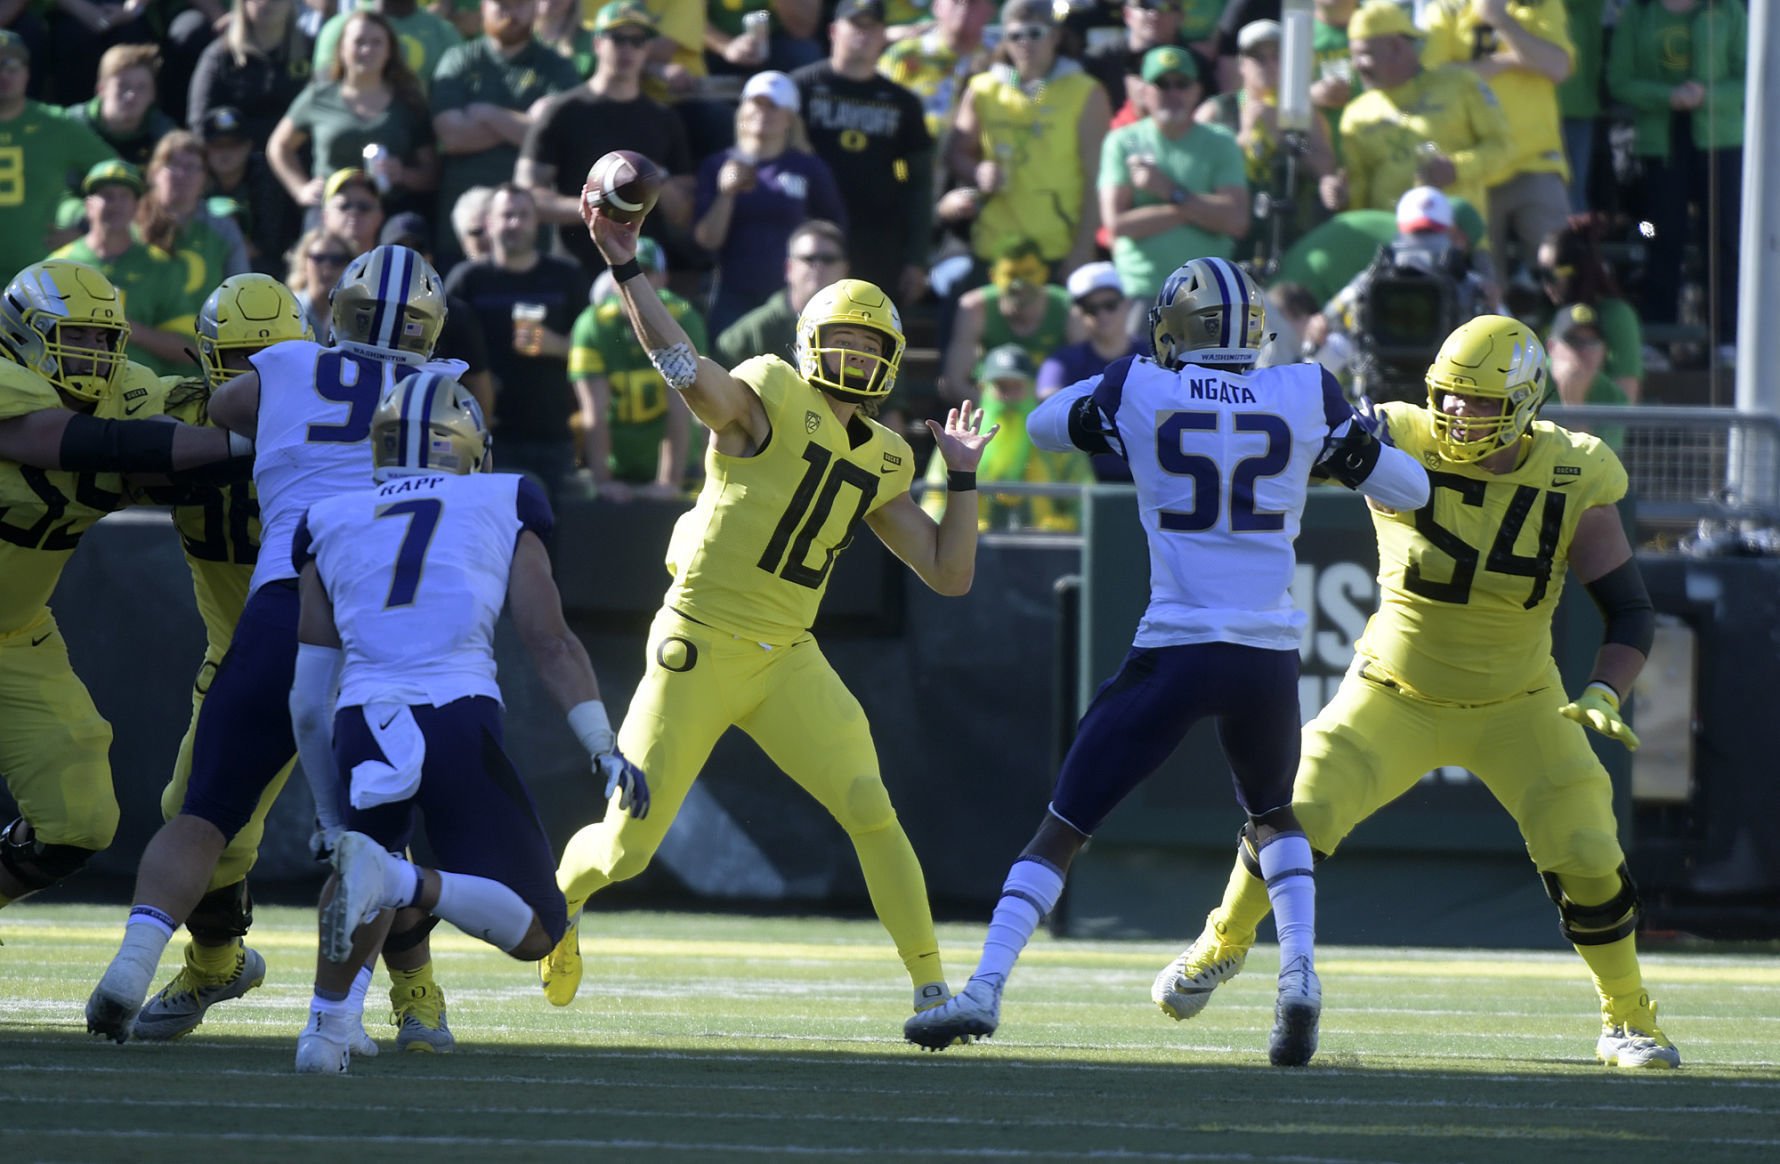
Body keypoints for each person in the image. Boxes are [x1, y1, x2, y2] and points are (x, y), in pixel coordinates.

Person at [902, 255, 1431, 1064]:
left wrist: (1124, 389)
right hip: (1264, 656)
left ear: (1176, 327)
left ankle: (985, 987)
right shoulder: (1305, 391)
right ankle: (1299, 977)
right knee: (1273, 814)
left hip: (1177, 648)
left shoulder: (1139, 385)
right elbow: (1411, 489)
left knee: (1064, 825)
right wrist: (1351, 444)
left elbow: (1044, 424)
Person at [1151, 314, 1680, 1071]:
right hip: (1392, 691)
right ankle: (1222, 941)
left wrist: (1604, 689)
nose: (1459, 411)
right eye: (1450, 394)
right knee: (1298, 807)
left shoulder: (1576, 468)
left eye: (1481, 400)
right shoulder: (1398, 433)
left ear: (1526, 403)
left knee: (1588, 848)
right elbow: (1284, 444)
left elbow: (1628, 608)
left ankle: (1627, 1017)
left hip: (1520, 703)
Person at [539, 194, 1000, 1031]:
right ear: (808, 341)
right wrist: (626, 266)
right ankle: (561, 901)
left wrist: (962, 477)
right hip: (698, 643)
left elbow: (948, 573)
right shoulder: (769, 393)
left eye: (873, 345)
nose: (857, 356)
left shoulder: (889, 454)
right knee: (626, 848)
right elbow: (683, 367)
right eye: (845, 339)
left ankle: (934, 990)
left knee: (869, 804)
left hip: (787, 653)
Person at [84, 245, 469, 1051]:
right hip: (382, 623)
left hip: (280, 614)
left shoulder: (287, 369)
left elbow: (226, 410)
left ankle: (133, 961)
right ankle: (339, 1017)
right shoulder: (444, 393)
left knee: (204, 814)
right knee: (377, 838)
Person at [286, 371, 648, 1073]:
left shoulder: (327, 516)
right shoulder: (505, 496)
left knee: (361, 856)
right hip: (456, 716)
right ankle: (401, 885)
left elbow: (306, 697)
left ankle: (324, 1034)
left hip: (363, 718)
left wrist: (329, 818)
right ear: (467, 445)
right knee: (538, 927)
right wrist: (601, 744)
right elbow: (550, 641)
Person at [123, 274, 347, 1044]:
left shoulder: (343, 420)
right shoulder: (174, 408)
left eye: (271, 356)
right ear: (202, 361)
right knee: (195, 816)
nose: (259, 373)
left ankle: (415, 989)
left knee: (375, 815)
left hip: (339, 643)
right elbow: (104, 428)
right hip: (241, 648)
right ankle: (216, 963)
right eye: (242, 359)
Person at [0, 258, 246, 921]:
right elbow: (62, 440)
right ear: (21, 333)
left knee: (77, 822)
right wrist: (232, 447)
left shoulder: (126, 391)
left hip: (14, 635)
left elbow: (188, 418)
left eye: (104, 337)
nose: (94, 352)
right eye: (75, 336)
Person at [1606, 0, 1745, 365]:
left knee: (1725, 238)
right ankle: (1658, 339)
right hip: (1660, 147)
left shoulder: (1730, 10)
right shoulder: (1637, 13)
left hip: (1721, 145)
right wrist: (1668, 97)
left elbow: (1749, 77)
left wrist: (1706, 96)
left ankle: (1728, 339)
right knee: (1658, 235)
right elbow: (1619, 81)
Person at [516, 2, 694, 276]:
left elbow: (684, 212)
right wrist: (599, 207)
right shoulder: (562, 112)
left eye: (637, 41)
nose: (627, 49)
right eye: (618, 38)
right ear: (597, 43)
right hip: (575, 269)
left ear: (647, 48)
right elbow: (527, 196)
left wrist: (657, 180)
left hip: (641, 270)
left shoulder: (664, 119)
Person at [444, 183, 590, 504]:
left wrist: (557, 345)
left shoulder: (566, 276)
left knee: (552, 529)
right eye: (507, 215)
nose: (515, 223)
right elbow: (441, 353)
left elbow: (596, 349)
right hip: (486, 435)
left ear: (537, 223)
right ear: (489, 222)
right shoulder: (467, 280)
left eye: (523, 215)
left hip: (553, 434)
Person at [945, 0, 1111, 277]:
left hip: (1057, 247)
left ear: (1055, 36)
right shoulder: (983, 89)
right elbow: (956, 153)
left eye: (1035, 33)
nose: (1025, 42)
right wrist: (977, 171)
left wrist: (1083, 249)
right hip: (993, 245)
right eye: (1015, 35)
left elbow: (1097, 177)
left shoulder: (1086, 92)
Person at [791, 0, 934, 305]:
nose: (863, 34)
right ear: (833, 30)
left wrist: (917, 258)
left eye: (872, 27)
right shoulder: (801, 88)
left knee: (868, 319)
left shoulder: (903, 103)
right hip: (811, 234)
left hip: (877, 238)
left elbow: (919, 185)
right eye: (856, 24)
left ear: (884, 35)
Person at [1421, 0, 1576, 276]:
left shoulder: (1541, 4)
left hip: (1534, 161)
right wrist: (1506, 61)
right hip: (1473, 167)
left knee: (1561, 270)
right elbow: (1433, 80)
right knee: (1484, 282)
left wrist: (1500, 20)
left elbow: (1558, 66)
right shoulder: (1445, 8)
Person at [692, 69, 847, 337]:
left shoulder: (809, 168)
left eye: (773, 106)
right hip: (733, 291)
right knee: (726, 359)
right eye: (757, 103)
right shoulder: (717, 165)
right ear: (743, 110)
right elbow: (707, 240)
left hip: (793, 296)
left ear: (789, 117)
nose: (763, 113)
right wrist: (726, 194)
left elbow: (833, 229)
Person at [428, 0, 579, 269]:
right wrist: (528, 124)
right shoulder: (459, 59)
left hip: (532, 232)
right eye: (502, 4)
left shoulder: (556, 67)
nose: (511, 12)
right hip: (463, 229)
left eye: (520, 4)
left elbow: (559, 139)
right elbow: (451, 136)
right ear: (483, 7)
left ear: (535, 7)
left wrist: (485, 113)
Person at [1330, 3, 1511, 223]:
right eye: (1353, 56)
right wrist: (1343, 198)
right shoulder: (1356, 114)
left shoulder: (1461, 85)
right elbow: (1359, 188)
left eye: (1364, 54)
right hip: (1389, 236)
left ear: (1396, 47)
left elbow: (1502, 148)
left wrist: (1457, 168)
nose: (1357, 66)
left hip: (1455, 232)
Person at [1099, 45, 1247, 304]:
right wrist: (1194, 210)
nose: (1173, 93)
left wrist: (1169, 191)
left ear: (1197, 91)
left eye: (1182, 84)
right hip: (1142, 290)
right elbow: (1117, 224)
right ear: (1144, 92)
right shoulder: (1122, 142)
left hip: (1208, 292)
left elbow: (1236, 220)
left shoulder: (1221, 142)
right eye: (1162, 84)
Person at [268, 9, 439, 218]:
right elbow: (278, 146)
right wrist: (300, 189)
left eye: (377, 42)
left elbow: (431, 174)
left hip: (392, 210)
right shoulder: (317, 97)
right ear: (341, 49)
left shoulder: (408, 103)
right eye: (359, 42)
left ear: (389, 51)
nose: (367, 49)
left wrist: (402, 174)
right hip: (331, 211)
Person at [1195, 20, 1334, 269]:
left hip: (1288, 236)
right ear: (1242, 64)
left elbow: (1325, 167)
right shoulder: (1215, 111)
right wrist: (1244, 137)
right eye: (1258, 58)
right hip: (1229, 240)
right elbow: (1194, 175)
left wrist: (1285, 137)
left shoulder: (1302, 113)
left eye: (1276, 56)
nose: (1269, 64)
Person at [569, 237, 700, 500]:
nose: (634, 280)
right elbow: (594, 412)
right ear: (611, 277)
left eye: (645, 272)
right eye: (625, 269)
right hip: (619, 469)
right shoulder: (592, 325)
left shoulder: (683, 318)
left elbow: (681, 406)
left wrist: (669, 482)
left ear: (663, 279)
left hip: (679, 468)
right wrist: (604, 481)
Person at [920, 342, 1094, 531]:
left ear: (1033, 388)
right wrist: (961, 530)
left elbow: (1085, 499)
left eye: (1017, 387)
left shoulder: (1057, 434)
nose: (1009, 397)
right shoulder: (963, 433)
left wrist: (1062, 528)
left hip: (1044, 544)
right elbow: (934, 497)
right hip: (975, 542)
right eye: (1002, 387)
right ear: (983, 388)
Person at [50, 160, 189, 376]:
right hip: (72, 386)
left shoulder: (162, 265)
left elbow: (187, 349)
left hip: (145, 390)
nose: (115, 204)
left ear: (136, 206)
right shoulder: (58, 265)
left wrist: (124, 327)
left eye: (124, 196)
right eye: (107, 195)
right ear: (88, 205)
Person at [0, 30, 117, 280]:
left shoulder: (56, 125)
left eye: (11, 66)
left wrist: (86, 229)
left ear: (27, 73)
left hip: (40, 279)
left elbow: (118, 174)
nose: (3, 74)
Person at [940, 240, 1072, 403]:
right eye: (1011, 275)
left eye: (1028, 273)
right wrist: (996, 408)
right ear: (993, 276)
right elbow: (956, 381)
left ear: (1044, 273)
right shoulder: (975, 307)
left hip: (1051, 405)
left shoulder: (1067, 306)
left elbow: (1085, 371)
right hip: (990, 404)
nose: (1019, 283)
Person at [713, 219, 848, 370]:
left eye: (828, 259)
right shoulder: (750, 335)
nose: (818, 266)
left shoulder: (859, 329)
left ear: (845, 269)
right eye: (809, 258)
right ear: (789, 268)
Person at [1534, 216, 1641, 402]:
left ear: (1576, 272)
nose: (1545, 285)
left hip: (1597, 419)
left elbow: (1627, 400)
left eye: (1550, 275)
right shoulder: (1546, 313)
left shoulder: (1616, 315)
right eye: (1539, 274)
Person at [186, 0, 316, 148]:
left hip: (297, 154)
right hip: (235, 155)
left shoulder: (312, 51)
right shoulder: (219, 56)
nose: (267, 3)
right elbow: (199, 122)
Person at [199, 105, 301, 277]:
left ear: (248, 146)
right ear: (204, 148)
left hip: (259, 266)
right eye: (217, 145)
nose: (225, 153)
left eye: (233, 145)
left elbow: (270, 243)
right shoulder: (193, 175)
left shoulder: (266, 176)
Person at [876, 0, 994, 142]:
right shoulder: (904, 55)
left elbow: (1017, 98)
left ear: (989, 11)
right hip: (911, 148)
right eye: (955, 1)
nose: (963, 6)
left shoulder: (1000, 58)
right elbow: (877, 107)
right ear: (937, 6)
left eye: (972, 2)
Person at [63, 44, 176, 168]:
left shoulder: (165, 136)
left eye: (142, 87)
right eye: (123, 86)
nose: (131, 95)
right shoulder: (71, 126)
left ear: (153, 95)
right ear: (101, 89)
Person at [286, 226, 354, 342]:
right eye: (319, 258)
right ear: (303, 262)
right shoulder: (287, 310)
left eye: (337, 259)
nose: (327, 266)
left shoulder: (354, 317)